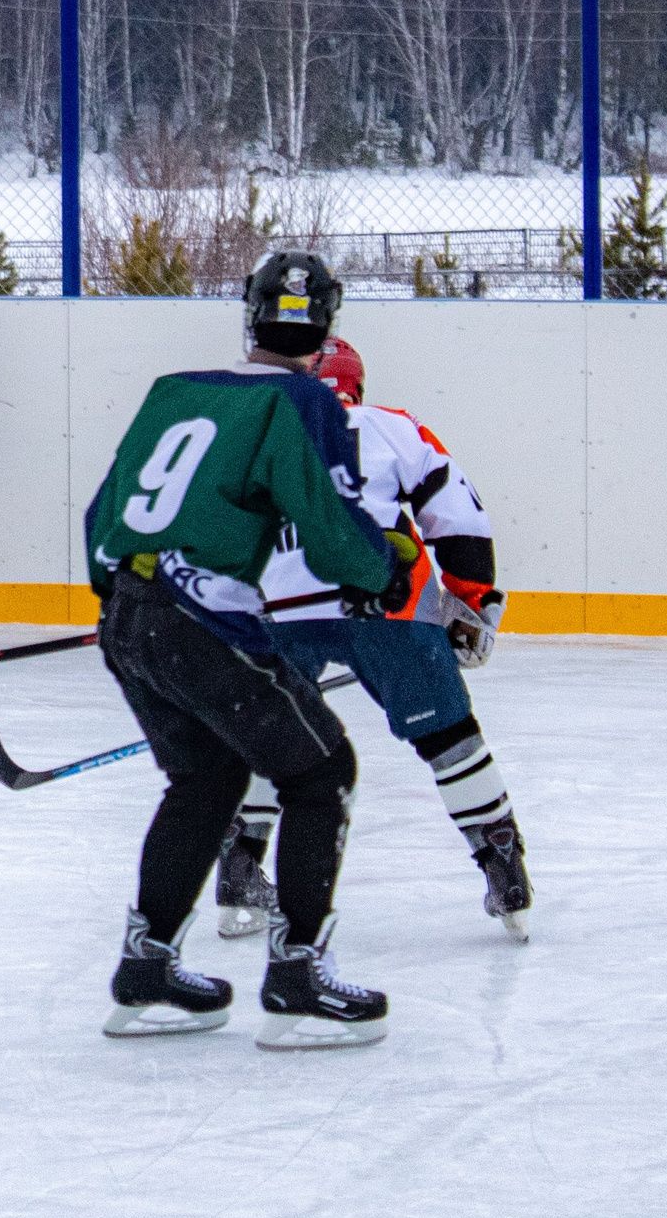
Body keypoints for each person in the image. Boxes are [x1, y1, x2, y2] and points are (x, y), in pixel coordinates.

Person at [84, 252, 416, 1050]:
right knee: (322, 770)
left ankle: (148, 966)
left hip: (130, 616)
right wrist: (383, 569)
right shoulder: (302, 399)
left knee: (207, 778)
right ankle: (299, 975)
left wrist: (134, 600)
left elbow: (103, 517)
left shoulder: (175, 390)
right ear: (327, 321)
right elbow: (333, 528)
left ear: (249, 311)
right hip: (202, 620)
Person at [216, 334, 532, 941]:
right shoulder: (393, 427)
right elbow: (457, 516)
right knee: (448, 736)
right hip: (390, 604)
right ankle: (500, 859)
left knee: (265, 734)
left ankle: (239, 865)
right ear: (355, 384)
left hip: (280, 609)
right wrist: (473, 602)